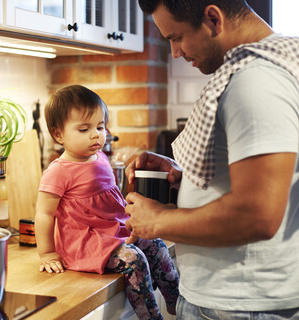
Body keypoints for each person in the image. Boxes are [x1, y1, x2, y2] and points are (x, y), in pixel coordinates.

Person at [125, 0, 299, 319]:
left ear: (213, 19)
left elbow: (257, 213)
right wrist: (187, 177)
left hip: (240, 306)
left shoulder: (256, 79)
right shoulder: (273, 61)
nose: (176, 52)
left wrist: (158, 220)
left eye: (176, 37)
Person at [35, 84, 179, 320]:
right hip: (85, 241)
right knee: (134, 259)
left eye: (100, 127)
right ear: (58, 134)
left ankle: (175, 303)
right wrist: (48, 253)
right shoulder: (58, 171)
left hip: (112, 231)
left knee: (157, 244)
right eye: (84, 129)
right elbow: (44, 214)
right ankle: (151, 316)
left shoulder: (100, 157)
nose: (96, 134)